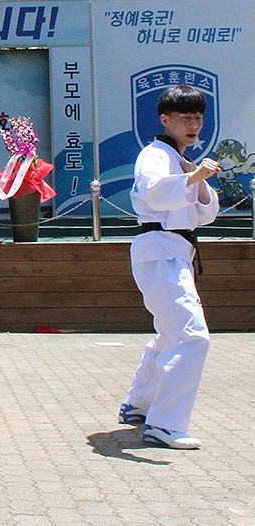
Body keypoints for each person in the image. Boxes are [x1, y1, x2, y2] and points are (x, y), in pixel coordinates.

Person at [119, 85, 220, 449]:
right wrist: (193, 178)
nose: (193, 123)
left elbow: (205, 214)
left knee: (170, 333)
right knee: (192, 337)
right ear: (165, 119)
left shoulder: (179, 159)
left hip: (174, 252)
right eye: (184, 117)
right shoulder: (155, 154)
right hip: (160, 250)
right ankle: (165, 424)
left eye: (198, 117)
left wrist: (197, 178)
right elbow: (153, 191)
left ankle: (139, 404)